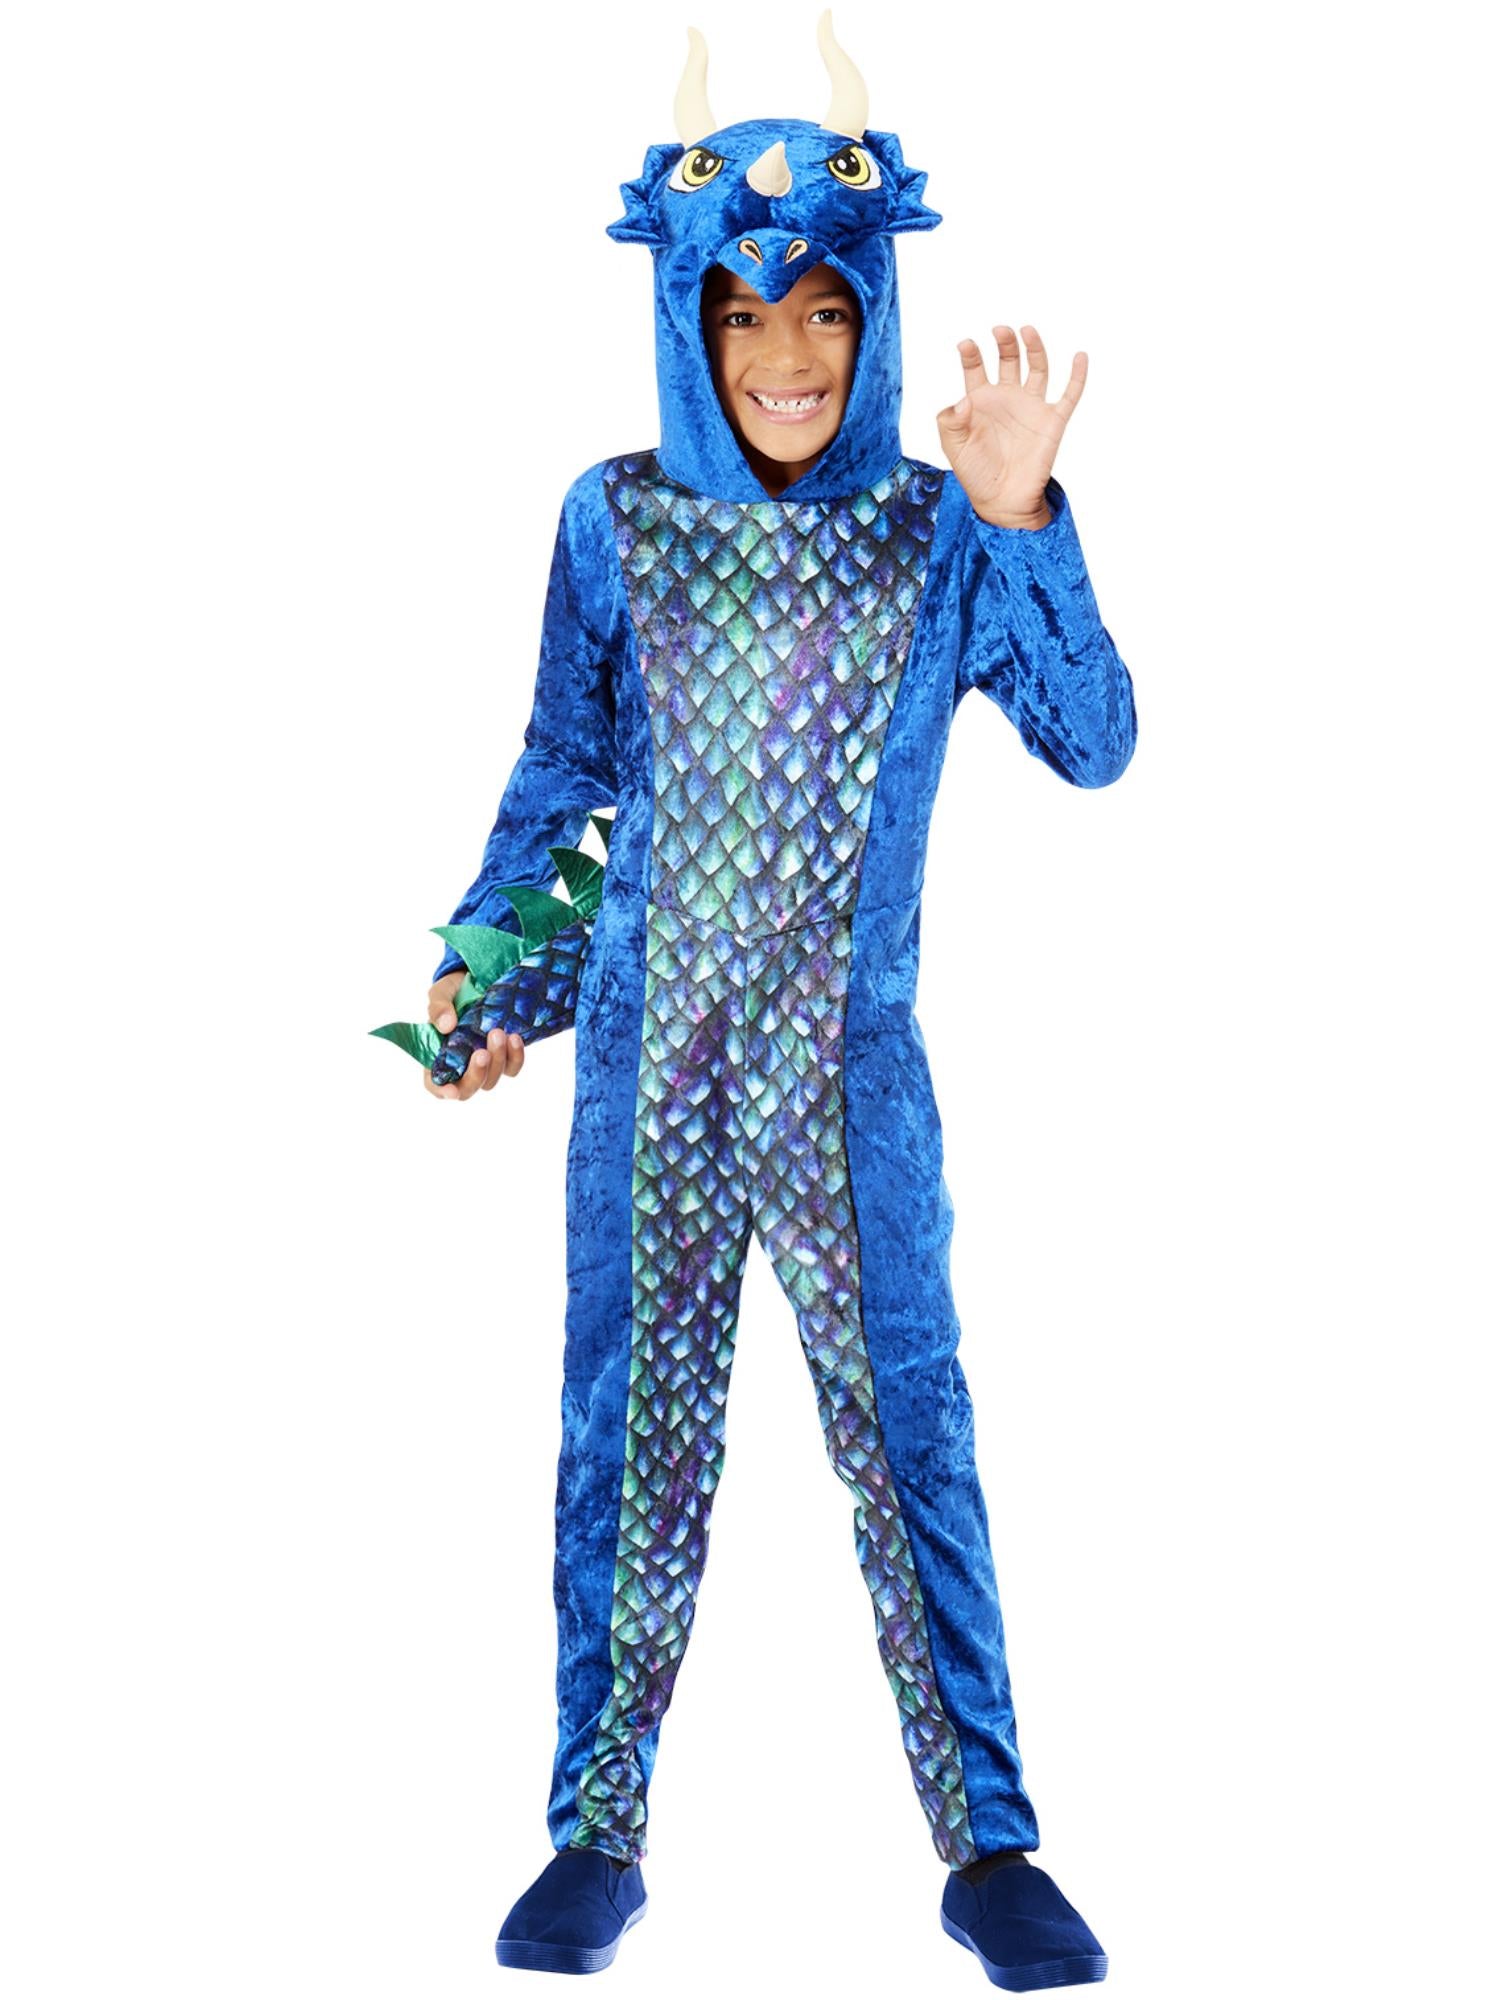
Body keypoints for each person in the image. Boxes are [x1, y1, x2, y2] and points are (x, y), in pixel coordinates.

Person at [418, 14, 1136, 1988]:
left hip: (850, 1085)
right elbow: (570, 784)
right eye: (744, 316)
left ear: (875, 308)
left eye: (825, 310)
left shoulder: (935, 525)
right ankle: (595, 1828)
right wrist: (492, 985)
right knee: (626, 1439)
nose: (789, 356)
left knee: (912, 1439)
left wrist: (1024, 522)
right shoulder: (612, 521)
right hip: (648, 1080)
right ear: (687, 318)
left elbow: (1094, 742)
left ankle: (992, 1844)